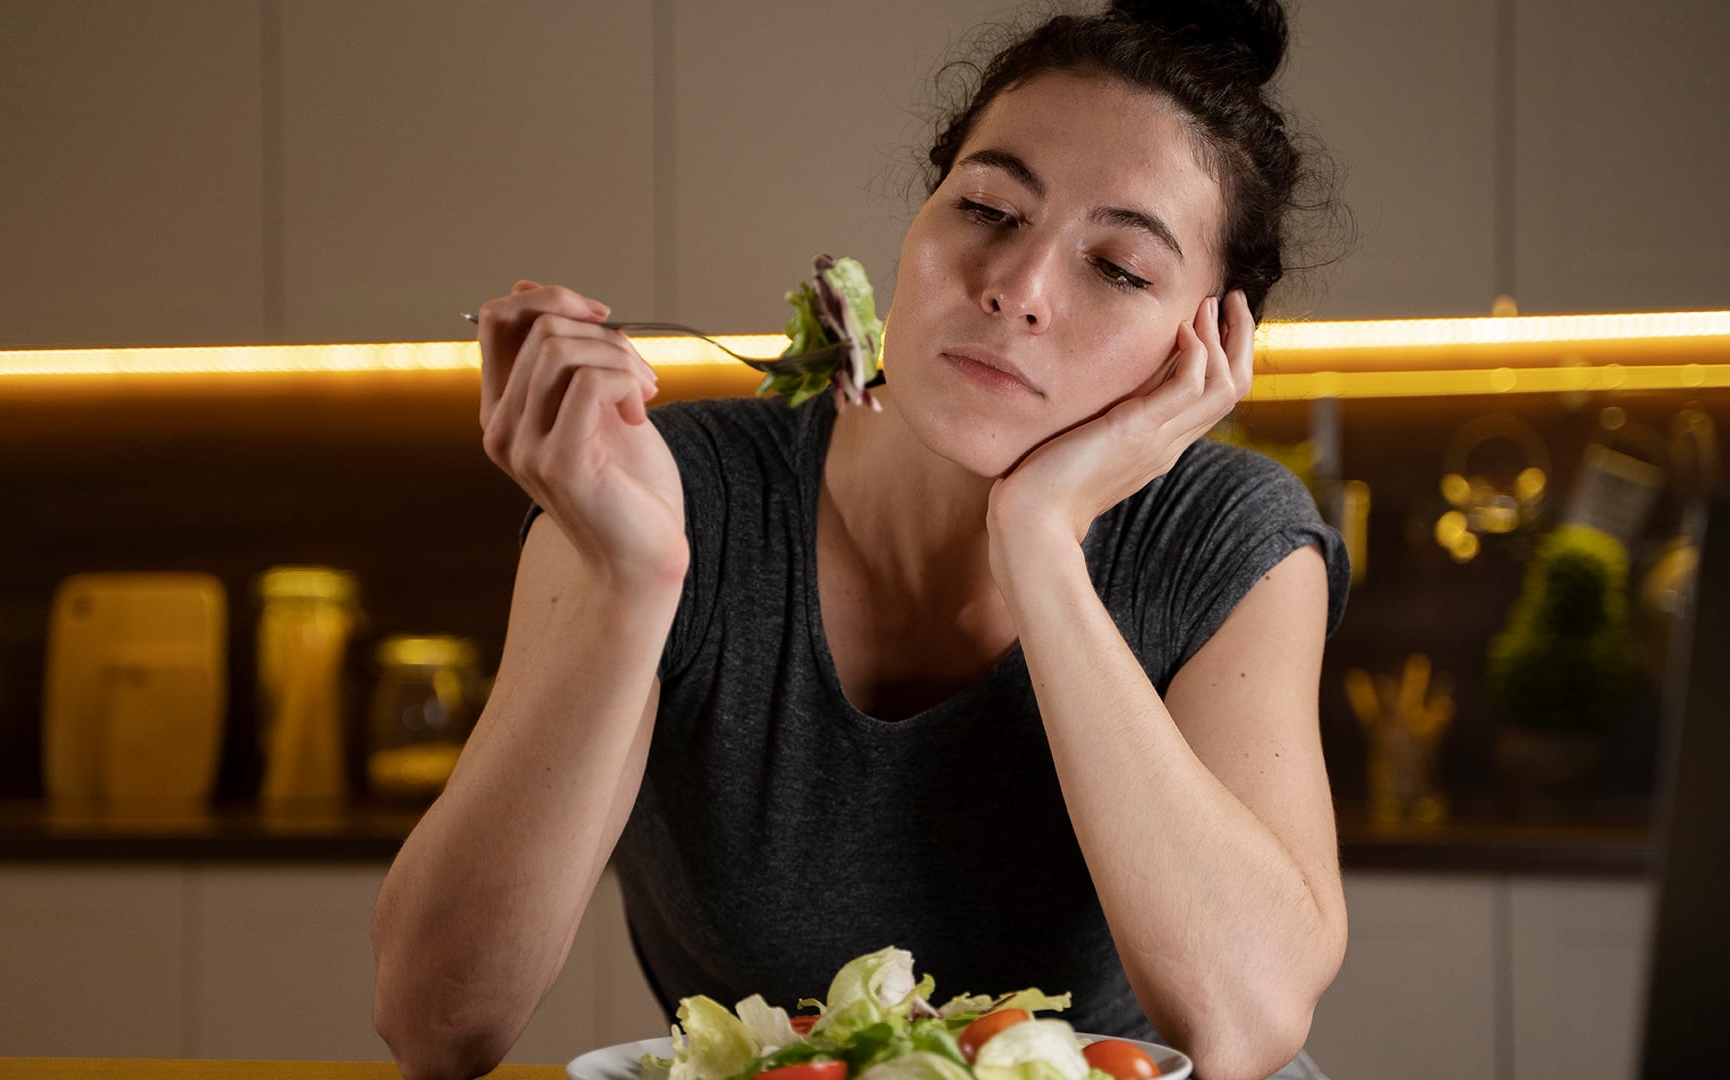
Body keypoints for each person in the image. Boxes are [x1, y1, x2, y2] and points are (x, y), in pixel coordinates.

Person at [372, 2, 1352, 1078]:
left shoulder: (1227, 537)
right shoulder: (656, 493)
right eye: (986, 206)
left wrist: (1038, 541)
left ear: (1207, 344)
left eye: (1118, 268)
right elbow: (437, 1021)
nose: (1015, 288)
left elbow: (1245, 1024)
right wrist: (633, 580)